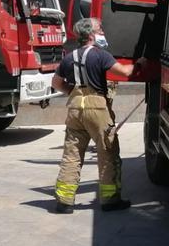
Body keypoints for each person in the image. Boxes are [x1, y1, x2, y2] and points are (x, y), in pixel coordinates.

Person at [52, 18, 135, 214]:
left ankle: (64, 201)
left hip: (74, 108)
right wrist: (138, 64)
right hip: (97, 108)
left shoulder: (69, 57)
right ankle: (110, 200)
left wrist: (72, 91)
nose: (102, 32)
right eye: (99, 29)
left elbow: (56, 82)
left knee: (71, 155)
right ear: (90, 35)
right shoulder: (101, 55)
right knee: (108, 153)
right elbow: (124, 72)